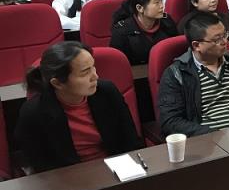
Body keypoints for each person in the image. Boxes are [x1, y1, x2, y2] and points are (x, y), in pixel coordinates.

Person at [15, 42, 141, 173]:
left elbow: (130, 139)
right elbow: (40, 164)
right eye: (85, 72)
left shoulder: (107, 92)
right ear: (57, 83)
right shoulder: (33, 112)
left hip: (115, 169)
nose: (95, 76)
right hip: (67, 177)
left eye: (93, 67)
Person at [159, 12, 229, 137]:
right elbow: (170, 121)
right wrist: (214, 135)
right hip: (207, 140)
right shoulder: (176, 74)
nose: (225, 42)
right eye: (217, 39)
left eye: (225, 35)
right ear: (196, 45)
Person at [110, 0, 178, 65]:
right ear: (140, 8)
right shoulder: (121, 31)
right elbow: (117, 64)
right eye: (157, 2)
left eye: (161, 1)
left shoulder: (166, 20)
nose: (162, 6)